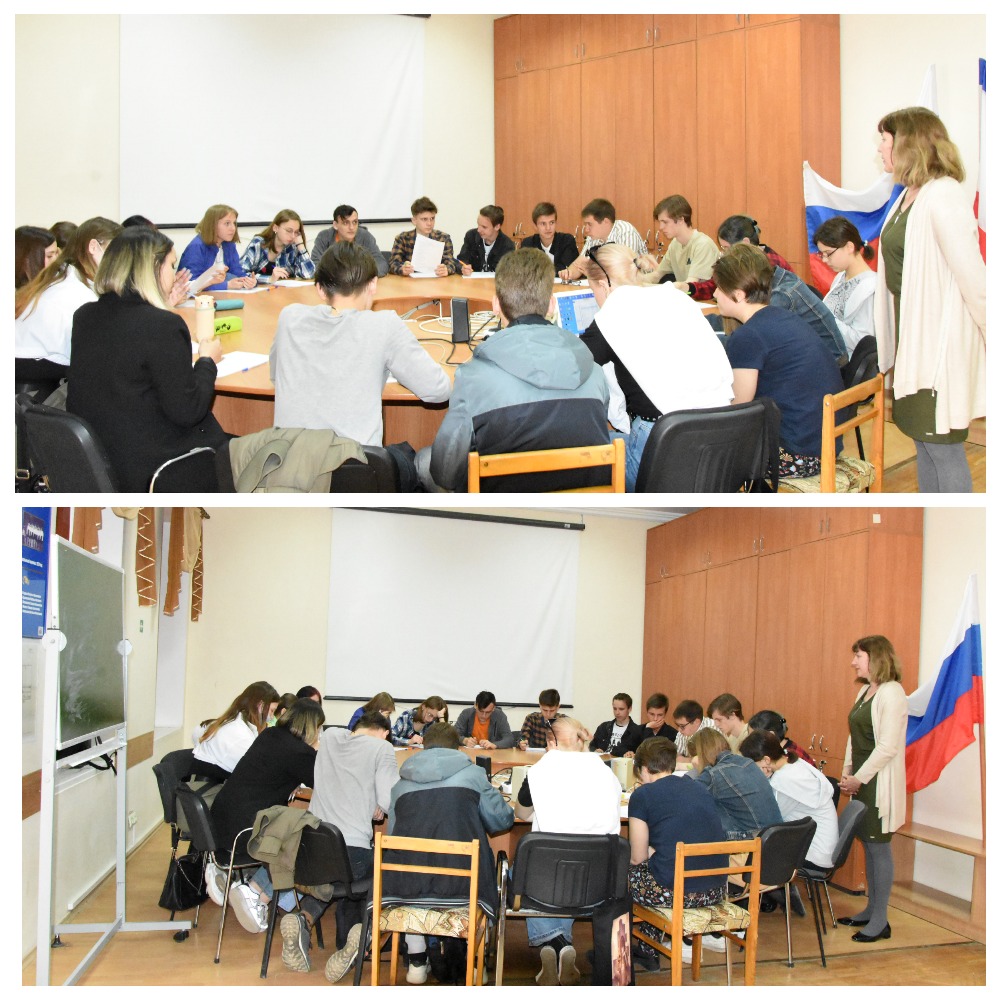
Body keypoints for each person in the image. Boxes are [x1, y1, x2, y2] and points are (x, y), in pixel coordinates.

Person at [419, 247, 610, 492]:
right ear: (551, 305)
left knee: (423, 461)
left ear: (496, 305)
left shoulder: (473, 377)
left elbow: (445, 472)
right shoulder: (595, 372)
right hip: (581, 497)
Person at [269, 242, 450, 484]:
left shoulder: (289, 317)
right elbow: (438, 390)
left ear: (320, 289)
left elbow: (276, 376)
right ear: (373, 284)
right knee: (409, 457)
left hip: (290, 472)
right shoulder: (384, 325)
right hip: (356, 475)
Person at [873, 107, 985, 493]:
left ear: (907, 144)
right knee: (923, 442)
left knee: (941, 446)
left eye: (884, 141)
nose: (880, 149)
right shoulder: (908, 195)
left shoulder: (944, 195)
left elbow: (974, 278)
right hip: (912, 338)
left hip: (938, 347)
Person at [66, 227, 226, 491]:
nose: (174, 275)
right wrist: (207, 362)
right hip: (155, 468)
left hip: (100, 460)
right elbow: (189, 411)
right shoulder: (163, 326)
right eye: (171, 266)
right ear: (152, 269)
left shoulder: (84, 316)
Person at [580, 242, 734, 490]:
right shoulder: (675, 296)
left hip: (663, 447)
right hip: (717, 442)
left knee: (578, 450)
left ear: (603, 285)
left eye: (592, 291)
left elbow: (574, 366)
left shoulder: (613, 311)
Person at [387, 721, 515, 984]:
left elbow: (393, 836)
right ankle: (475, 962)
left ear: (423, 747)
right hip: (462, 885)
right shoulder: (474, 775)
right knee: (481, 866)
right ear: (458, 748)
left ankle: (416, 960)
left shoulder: (400, 785)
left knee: (413, 873)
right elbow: (501, 820)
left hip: (409, 885)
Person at [713, 243, 845, 479]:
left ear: (739, 294)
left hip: (797, 456)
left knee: (705, 451)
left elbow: (738, 408)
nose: (714, 294)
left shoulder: (748, 336)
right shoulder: (783, 316)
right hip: (827, 445)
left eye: (719, 288)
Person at [514, 717, 622, 985]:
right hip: (598, 884)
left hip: (546, 883)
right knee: (570, 864)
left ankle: (554, 944)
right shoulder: (606, 772)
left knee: (524, 868)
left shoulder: (540, 771)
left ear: (551, 742)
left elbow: (521, 813)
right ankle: (562, 946)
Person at [208, 699, 325, 935]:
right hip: (246, 830)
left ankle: (233, 878)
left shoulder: (270, 735)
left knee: (290, 822)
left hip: (220, 822)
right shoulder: (299, 752)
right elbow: (323, 782)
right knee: (305, 840)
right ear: (311, 727)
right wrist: (316, 751)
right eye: (319, 728)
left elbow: (275, 770)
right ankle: (256, 891)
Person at [301, 709, 399, 981]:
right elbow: (390, 798)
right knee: (386, 869)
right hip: (351, 851)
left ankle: (304, 918)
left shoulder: (330, 736)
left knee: (335, 879)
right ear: (385, 733)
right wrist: (380, 804)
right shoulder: (382, 748)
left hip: (311, 849)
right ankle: (363, 935)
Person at [627, 737, 728, 973]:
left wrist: (649, 851)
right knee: (657, 870)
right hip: (716, 888)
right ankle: (647, 949)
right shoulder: (698, 787)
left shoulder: (643, 795)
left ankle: (617, 952)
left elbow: (637, 857)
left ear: (643, 769)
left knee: (623, 875)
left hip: (679, 893)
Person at [838, 635, 907, 942]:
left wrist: (860, 778)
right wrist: (848, 772)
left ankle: (880, 921)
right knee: (868, 844)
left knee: (879, 848)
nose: (854, 662)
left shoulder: (892, 692)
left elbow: (888, 746)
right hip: (862, 780)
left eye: (859, 656)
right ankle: (870, 910)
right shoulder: (866, 691)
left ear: (875, 658)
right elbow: (854, 737)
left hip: (878, 782)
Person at [15, 216, 121, 368]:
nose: (120, 261)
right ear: (93, 247)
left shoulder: (66, 279)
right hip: (42, 372)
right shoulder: (75, 292)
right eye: (116, 253)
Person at [739, 729, 837, 869]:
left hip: (813, 853)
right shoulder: (792, 762)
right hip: (820, 847)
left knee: (744, 853)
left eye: (753, 766)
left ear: (766, 760)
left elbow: (766, 821)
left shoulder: (784, 780)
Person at [688, 727, 782, 840]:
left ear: (700, 755)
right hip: (775, 838)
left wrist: (698, 769)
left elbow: (686, 796)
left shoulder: (714, 774)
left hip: (752, 844)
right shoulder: (747, 762)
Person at [678, 214, 792, 301]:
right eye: (722, 248)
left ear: (745, 242)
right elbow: (715, 286)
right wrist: (688, 289)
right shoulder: (741, 260)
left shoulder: (771, 264)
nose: (725, 253)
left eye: (727, 247)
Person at [814, 216, 877, 355]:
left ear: (849, 247)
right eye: (821, 254)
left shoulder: (871, 287)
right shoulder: (840, 277)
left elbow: (862, 341)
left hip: (847, 361)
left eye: (828, 254)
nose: (824, 260)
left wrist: (824, 318)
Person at [192, 681, 280, 773]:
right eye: (272, 711)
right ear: (260, 706)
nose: (272, 717)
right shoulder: (241, 734)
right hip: (211, 780)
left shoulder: (232, 722)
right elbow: (255, 770)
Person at [558, 198, 647, 280]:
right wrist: (568, 273)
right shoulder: (594, 236)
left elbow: (624, 271)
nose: (586, 229)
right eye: (585, 224)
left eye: (590, 224)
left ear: (606, 222)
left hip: (640, 284)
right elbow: (581, 263)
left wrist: (592, 272)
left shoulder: (626, 232)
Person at [638, 195, 720, 285]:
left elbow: (691, 284)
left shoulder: (703, 245)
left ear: (681, 220)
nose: (661, 227)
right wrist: (635, 279)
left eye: (665, 222)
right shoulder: (675, 244)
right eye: (660, 222)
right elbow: (657, 275)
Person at [178, 203, 257, 291]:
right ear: (212, 225)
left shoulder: (229, 244)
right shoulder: (196, 247)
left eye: (234, 223)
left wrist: (248, 281)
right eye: (227, 223)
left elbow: (237, 272)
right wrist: (226, 285)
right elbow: (190, 285)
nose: (233, 228)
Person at [388, 196, 460, 276]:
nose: (429, 223)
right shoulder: (402, 238)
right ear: (414, 221)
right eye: (424, 219)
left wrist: (446, 269)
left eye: (432, 218)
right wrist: (402, 269)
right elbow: (392, 263)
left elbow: (451, 263)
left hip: (436, 280)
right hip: (410, 281)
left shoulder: (443, 238)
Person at [310, 204, 388, 276]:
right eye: (345, 223)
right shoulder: (324, 237)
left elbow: (381, 264)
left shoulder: (365, 237)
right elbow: (314, 265)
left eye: (355, 222)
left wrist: (359, 275)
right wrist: (339, 275)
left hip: (359, 282)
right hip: (334, 283)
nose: (351, 227)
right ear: (335, 225)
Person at [239, 209, 315, 281]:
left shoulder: (294, 246)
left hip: (284, 289)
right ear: (275, 228)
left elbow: (309, 274)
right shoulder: (258, 244)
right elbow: (240, 272)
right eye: (289, 231)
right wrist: (269, 279)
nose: (293, 236)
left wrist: (301, 245)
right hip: (261, 290)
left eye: (296, 232)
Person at [519, 201, 579, 273]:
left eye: (551, 223)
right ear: (535, 226)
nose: (548, 228)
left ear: (556, 223)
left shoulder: (567, 241)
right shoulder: (528, 244)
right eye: (543, 224)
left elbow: (567, 268)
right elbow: (523, 270)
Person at [457, 204, 516, 274]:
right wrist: (462, 268)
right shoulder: (471, 236)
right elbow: (461, 261)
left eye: (484, 227)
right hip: (473, 280)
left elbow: (507, 273)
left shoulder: (507, 245)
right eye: (478, 225)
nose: (479, 230)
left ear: (497, 227)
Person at [747, 709, 816, 767]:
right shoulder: (785, 747)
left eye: (753, 738)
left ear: (771, 735)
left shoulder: (787, 759)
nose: (749, 742)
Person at [454, 690, 518, 749]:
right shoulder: (466, 714)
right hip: (470, 753)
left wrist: (494, 745)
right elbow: (453, 735)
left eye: (488, 712)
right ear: (475, 705)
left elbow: (509, 739)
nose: (484, 716)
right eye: (481, 711)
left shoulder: (499, 716)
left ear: (493, 708)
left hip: (493, 754)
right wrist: (464, 740)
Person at [589, 692, 645, 757]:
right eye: (615, 709)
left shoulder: (637, 731)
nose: (617, 712)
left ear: (629, 709)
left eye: (621, 709)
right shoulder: (603, 727)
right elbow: (591, 746)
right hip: (601, 761)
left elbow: (640, 754)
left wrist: (632, 754)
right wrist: (595, 750)